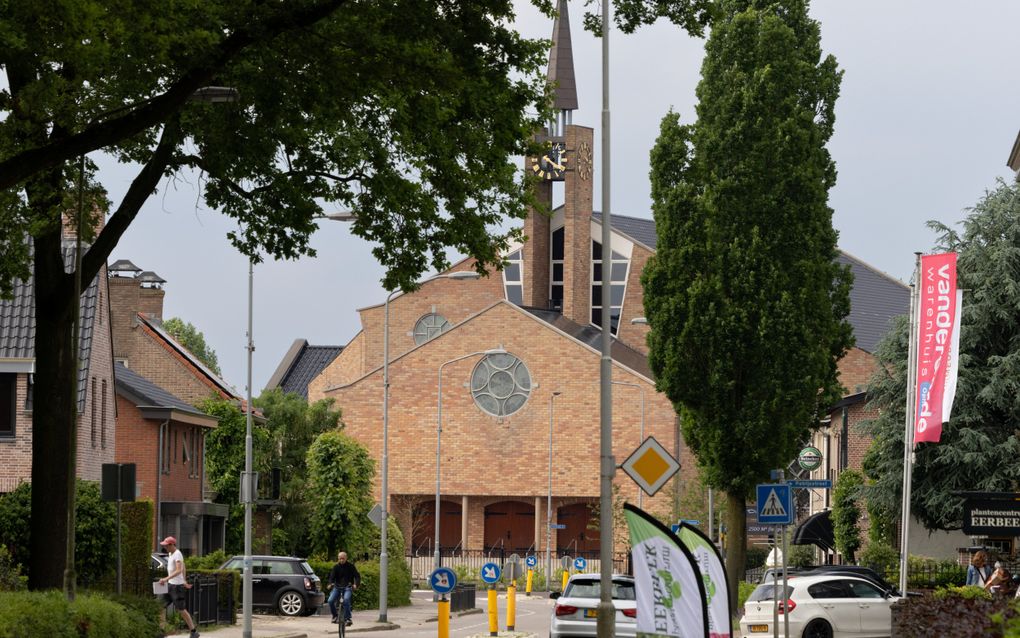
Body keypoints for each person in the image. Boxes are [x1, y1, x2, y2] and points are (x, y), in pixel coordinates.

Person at [158, 536, 199, 638]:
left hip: (177, 587)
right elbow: (183, 567)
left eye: (166, 546)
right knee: (160, 607)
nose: (165, 547)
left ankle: (193, 631)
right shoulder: (171, 553)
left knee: (181, 610)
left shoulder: (177, 554)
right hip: (170, 586)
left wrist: (166, 579)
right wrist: (184, 580)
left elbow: (179, 570)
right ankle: (161, 631)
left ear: (171, 545)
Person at [327, 551, 361, 627]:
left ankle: (348, 618)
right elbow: (331, 577)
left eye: (343, 558)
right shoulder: (336, 567)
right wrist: (330, 584)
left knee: (346, 600)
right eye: (340, 559)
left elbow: (357, 576)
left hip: (347, 587)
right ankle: (335, 616)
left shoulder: (351, 566)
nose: (341, 560)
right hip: (337, 587)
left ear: (346, 558)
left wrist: (356, 584)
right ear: (338, 559)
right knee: (330, 600)